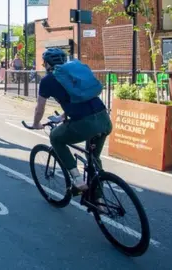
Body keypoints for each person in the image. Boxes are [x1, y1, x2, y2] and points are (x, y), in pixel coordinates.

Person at [31, 48, 112, 191]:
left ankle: (77, 178)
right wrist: (62, 116)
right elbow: (78, 98)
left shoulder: (47, 80)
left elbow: (39, 108)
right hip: (104, 119)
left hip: (85, 123)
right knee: (94, 158)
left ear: (47, 64)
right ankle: (98, 199)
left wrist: (36, 123)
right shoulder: (73, 72)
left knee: (56, 138)